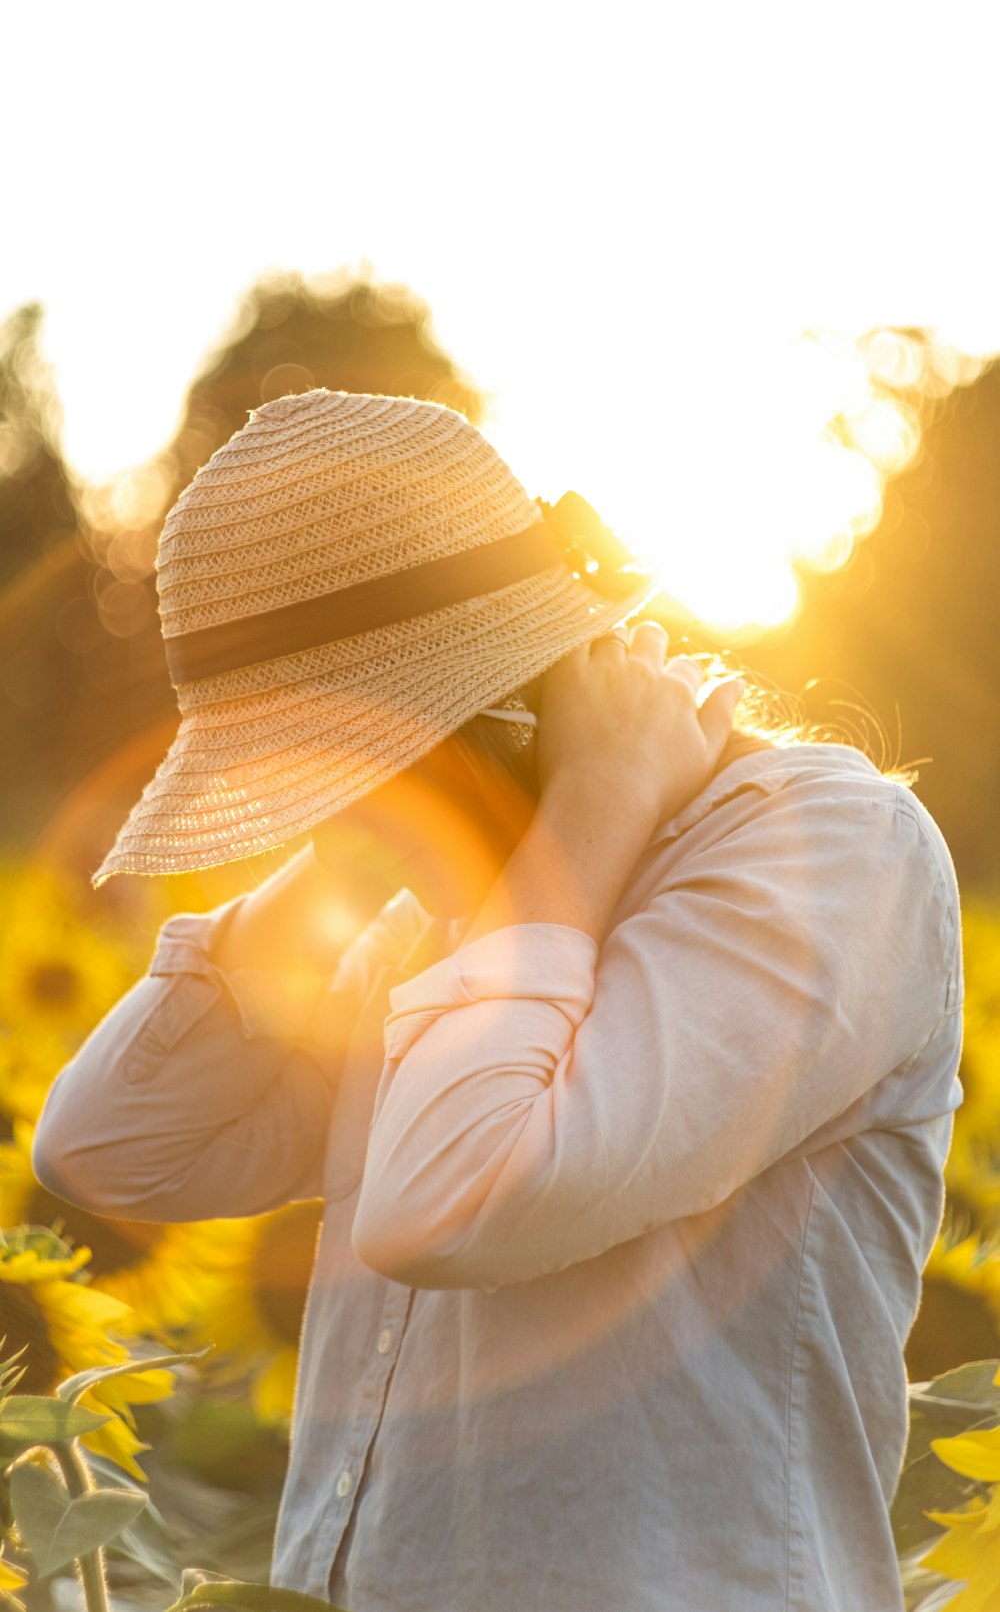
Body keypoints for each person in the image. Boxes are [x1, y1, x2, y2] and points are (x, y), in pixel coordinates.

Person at [31, 390, 963, 1612]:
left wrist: (588, 808)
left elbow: (455, 1202)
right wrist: (362, 840)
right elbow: (108, 1148)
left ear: (516, 699)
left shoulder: (826, 855)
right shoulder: (452, 919)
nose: (338, 820)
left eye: (365, 772)